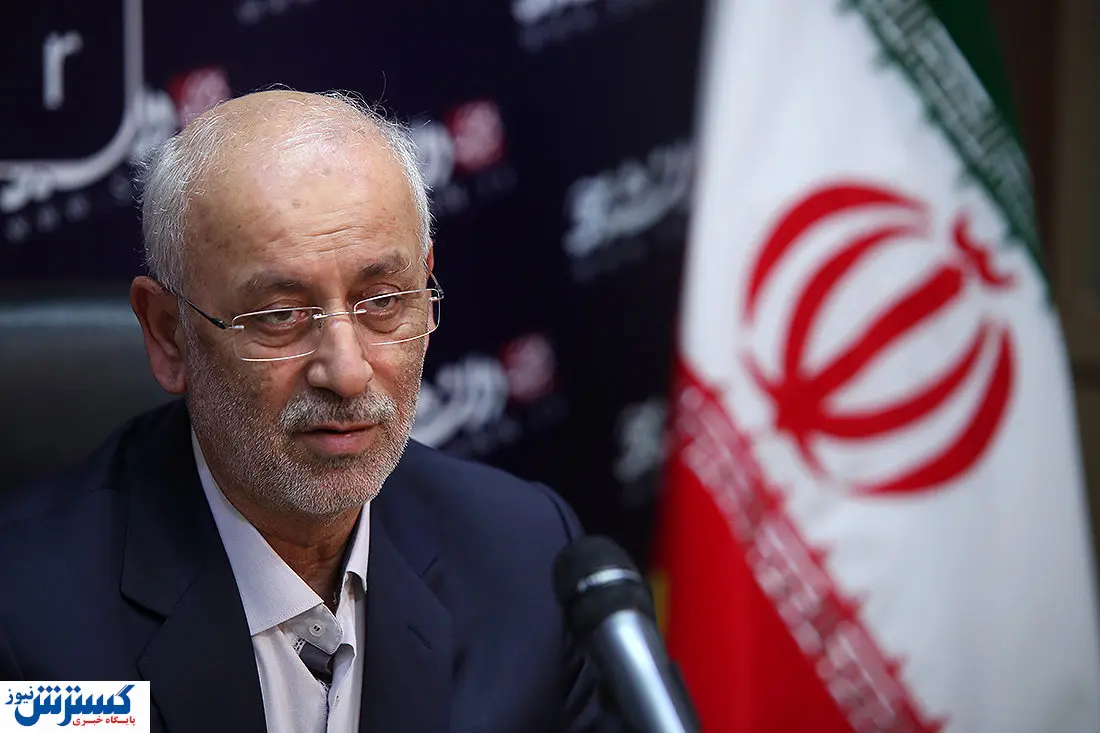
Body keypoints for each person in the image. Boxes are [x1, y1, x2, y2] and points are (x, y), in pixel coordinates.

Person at [0, 90, 619, 733]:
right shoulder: (24, 621)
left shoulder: (527, 556)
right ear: (167, 332)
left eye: (383, 301)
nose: (347, 372)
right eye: (280, 315)